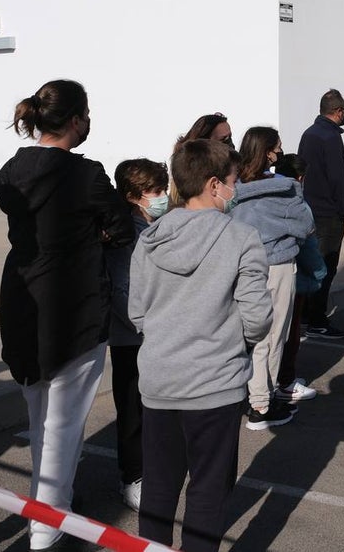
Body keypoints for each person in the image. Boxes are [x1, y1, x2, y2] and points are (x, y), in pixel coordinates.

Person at [0, 79, 134, 551]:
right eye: (86, 114)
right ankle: (46, 528)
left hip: (23, 301)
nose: (89, 121)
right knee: (63, 425)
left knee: (41, 419)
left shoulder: (11, 170)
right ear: (75, 120)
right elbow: (120, 226)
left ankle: (51, 508)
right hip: (75, 307)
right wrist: (93, 236)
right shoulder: (86, 174)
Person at [128, 139, 272, 551]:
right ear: (213, 185)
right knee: (208, 490)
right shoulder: (242, 238)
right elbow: (258, 318)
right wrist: (229, 341)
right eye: (232, 181)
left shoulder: (150, 238)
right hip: (214, 385)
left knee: (159, 487)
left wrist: (167, 337)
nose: (235, 189)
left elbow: (136, 312)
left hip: (159, 381)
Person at [230, 127, 315, 430]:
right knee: (274, 334)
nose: (280, 152)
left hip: (242, 265)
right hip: (277, 265)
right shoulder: (285, 189)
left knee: (250, 334)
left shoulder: (232, 187)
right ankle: (262, 403)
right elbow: (306, 225)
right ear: (267, 152)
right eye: (277, 147)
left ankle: (256, 395)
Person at [104, 158, 170, 512]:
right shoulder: (125, 235)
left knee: (154, 407)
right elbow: (121, 291)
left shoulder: (157, 227)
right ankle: (132, 476)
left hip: (157, 334)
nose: (162, 197)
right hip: (133, 338)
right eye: (155, 191)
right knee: (131, 411)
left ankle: (151, 467)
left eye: (163, 189)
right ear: (133, 196)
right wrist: (146, 327)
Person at [272, 153, 327, 403]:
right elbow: (308, 245)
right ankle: (285, 383)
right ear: (301, 178)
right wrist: (319, 273)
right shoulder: (297, 204)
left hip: (265, 277)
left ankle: (274, 382)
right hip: (294, 277)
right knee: (289, 335)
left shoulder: (260, 196)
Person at [297, 89, 344, 339]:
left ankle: (306, 315)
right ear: (338, 112)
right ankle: (317, 319)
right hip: (328, 213)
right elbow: (338, 178)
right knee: (326, 266)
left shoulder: (309, 134)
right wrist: (342, 209)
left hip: (310, 208)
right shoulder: (331, 137)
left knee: (311, 265)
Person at [171, 113, 234, 207]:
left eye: (230, 137)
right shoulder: (187, 177)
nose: (230, 144)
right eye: (223, 139)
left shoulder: (230, 169)